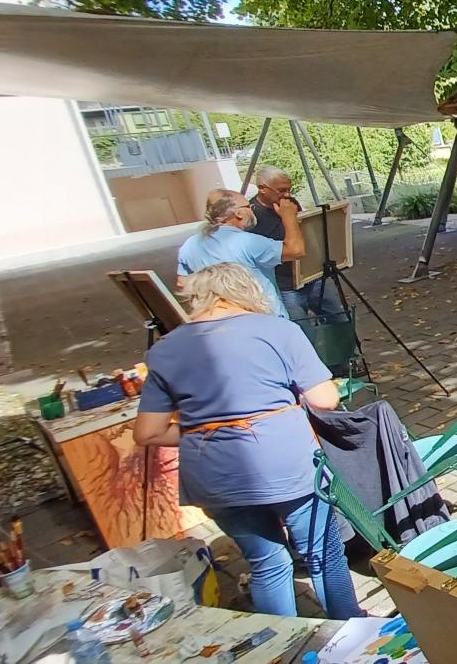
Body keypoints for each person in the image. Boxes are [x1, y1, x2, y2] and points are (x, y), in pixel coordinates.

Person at [132, 263, 362, 619]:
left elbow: (148, 432)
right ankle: (350, 630)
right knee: (323, 554)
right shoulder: (278, 330)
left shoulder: (164, 349)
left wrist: (205, 430)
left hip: (212, 475)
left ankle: (282, 643)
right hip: (285, 464)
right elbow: (325, 399)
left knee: (267, 563)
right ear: (246, 292)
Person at [178, 188, 302, 318]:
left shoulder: (190, 245)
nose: (252, 210)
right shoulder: (248, 242)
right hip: (264, 317)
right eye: (249, 207)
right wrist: (289, 216)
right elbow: (296, 250)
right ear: (239, 213)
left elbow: (182, 283)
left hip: (219, 318)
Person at [248, 168, 347, 323]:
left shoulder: (291, 203)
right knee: (302, 329)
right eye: (281, 190)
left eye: (289, 189)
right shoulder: (252, 214)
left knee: (340, 318)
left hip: (311, 275)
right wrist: (287, 218)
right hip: (285, 285)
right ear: (262, 189)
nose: (287, 195)